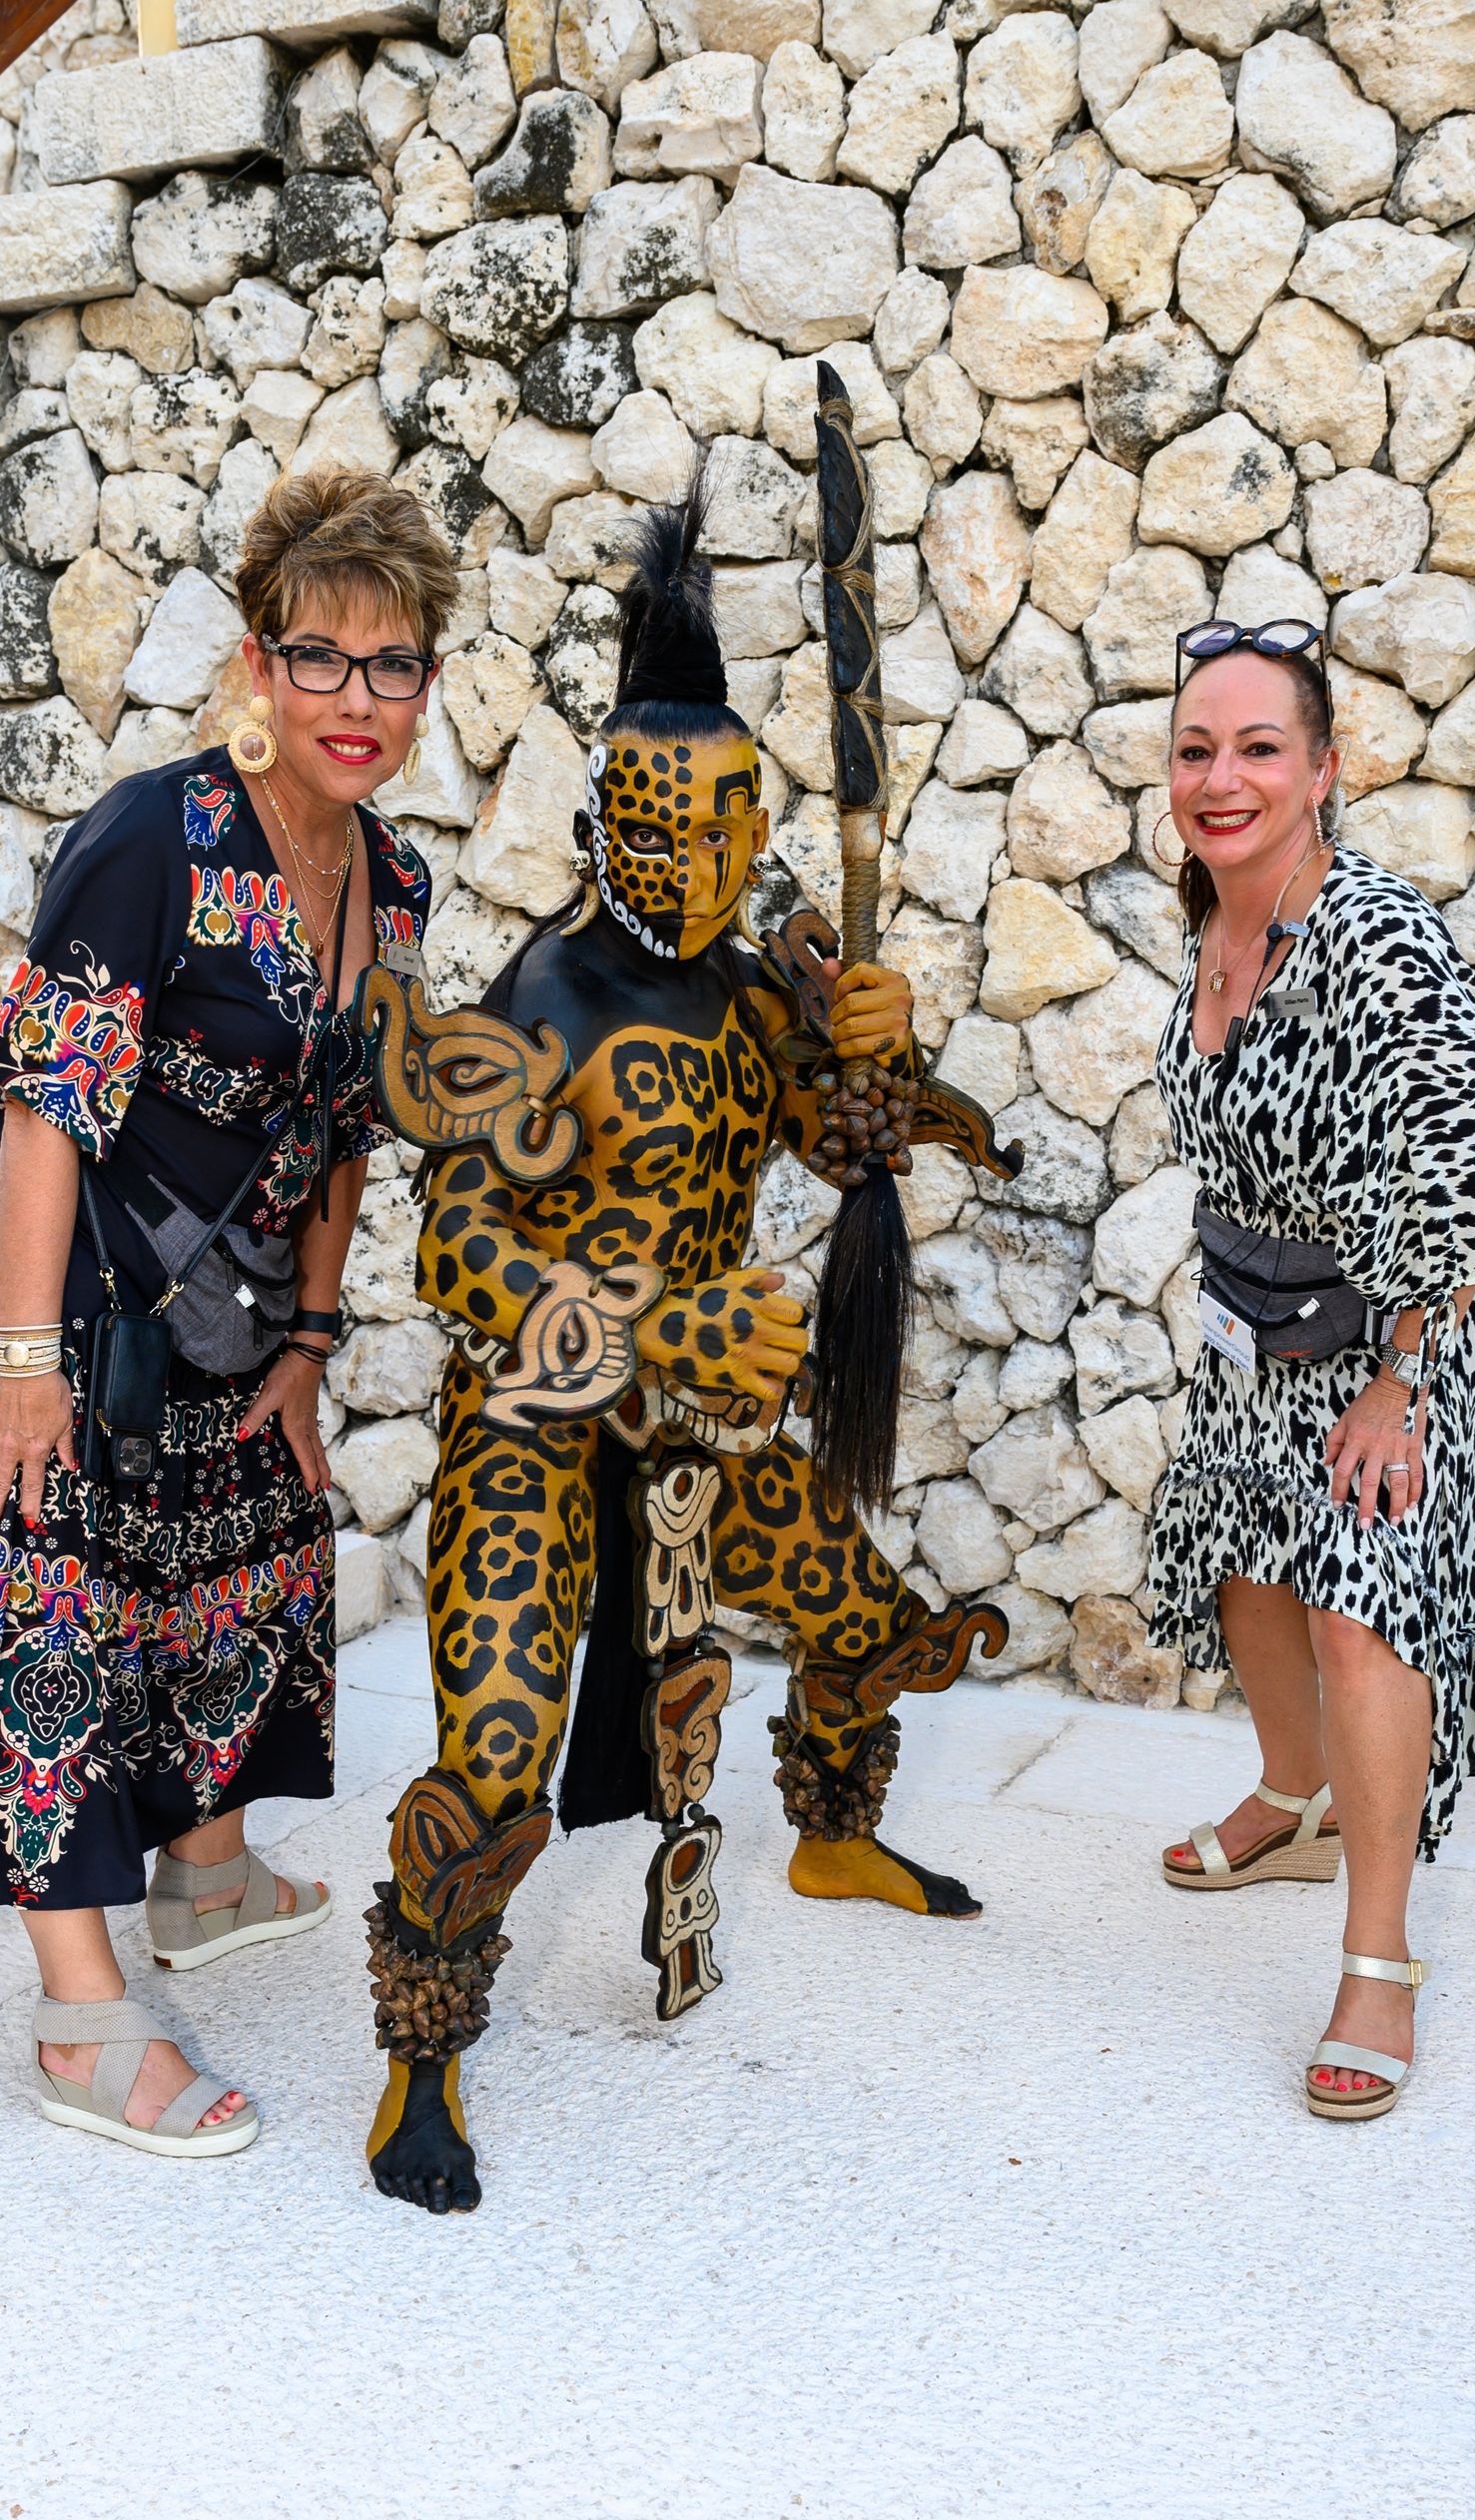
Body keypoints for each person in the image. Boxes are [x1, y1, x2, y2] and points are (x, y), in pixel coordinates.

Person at [353, 483, 1014, 2215]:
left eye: (731, 830)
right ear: (607, 823)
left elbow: (839, 1127)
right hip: (538, 1439)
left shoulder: (743, 986)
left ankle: (829, 1825)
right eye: (670, 828)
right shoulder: (542, 1007)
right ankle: (423, 2057)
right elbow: (455, 1244)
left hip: (701, 1451)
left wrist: (876, 1042)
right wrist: (658, 1322)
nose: (701, 864)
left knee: (864, 1614)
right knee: (493, 1743)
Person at [0, 466, 456, 2160]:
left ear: (428, 687)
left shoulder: (388, 886)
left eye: (389, 665)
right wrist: (22, 1365)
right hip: (28, 1260)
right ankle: (80, 2014)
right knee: (46, 1585)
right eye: (315, 656)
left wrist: (313, 1347)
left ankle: (205, 1868)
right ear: (258, 663)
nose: (351, 699)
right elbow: (44, 1106)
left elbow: (344, 1127)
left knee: (245, 1530)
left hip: (218, 1289)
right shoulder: (151, 835)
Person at [1146, 618, 1475, 2121]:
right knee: (1247, 1565)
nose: (1220, 775)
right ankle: (1295, 1801)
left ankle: (1379, 1956)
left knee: (1359, 1610)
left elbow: (1462, 1180)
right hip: (1254, 1325)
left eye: (1256, 748)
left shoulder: (1377, 934)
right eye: (1196, 748)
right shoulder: (1219, 913)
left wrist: (1401, 1388)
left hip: (1392, 1337)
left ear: (1323, 771)